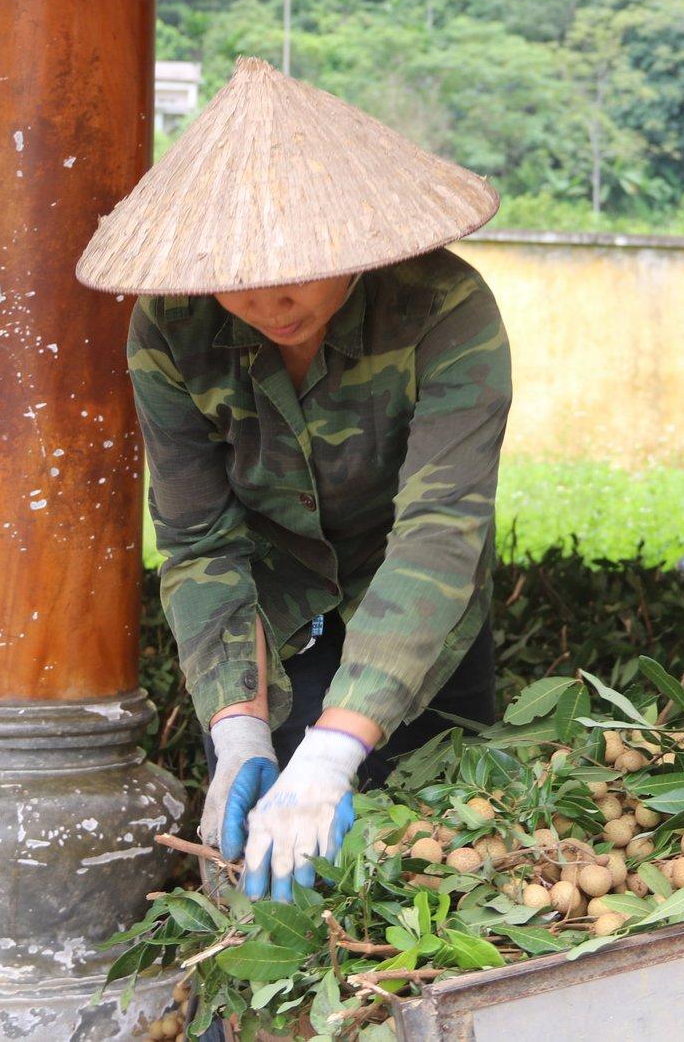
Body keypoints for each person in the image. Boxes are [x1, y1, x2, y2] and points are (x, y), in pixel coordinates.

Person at [77, 57, 510, 904]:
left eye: (297, 267)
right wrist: (239, 733)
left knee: (438, 874)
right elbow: (199, 539)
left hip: (422, 612)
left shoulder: (446, 312)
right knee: (262, 896)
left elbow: (439, 532)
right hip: (271, 626)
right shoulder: (169, 330)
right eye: (238, 278)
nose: (270, 301)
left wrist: (332, 751)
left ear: (355, 239)